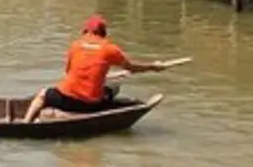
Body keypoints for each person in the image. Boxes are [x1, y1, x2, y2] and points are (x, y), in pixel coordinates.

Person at [22, 15, 167, 122]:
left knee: (42, 94)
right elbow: (132, 68)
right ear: (103, 32)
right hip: (89, 103)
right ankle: (67, 116)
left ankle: (26, 123)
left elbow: (70, 73)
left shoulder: (75, 45)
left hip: (67, 97)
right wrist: (153, 66)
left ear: (86, 31)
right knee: (114, 88)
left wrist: (107, 76)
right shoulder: (110, 49)